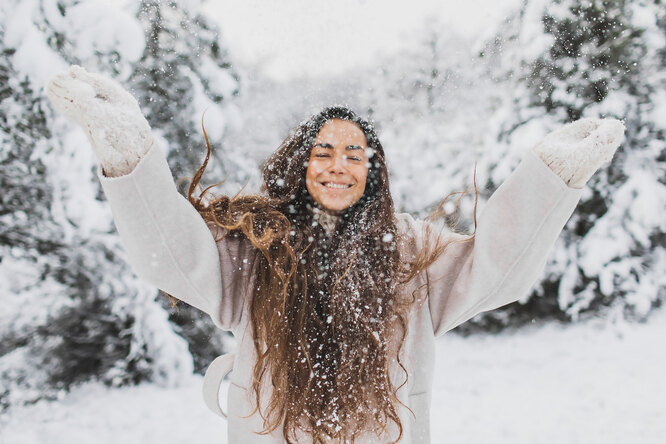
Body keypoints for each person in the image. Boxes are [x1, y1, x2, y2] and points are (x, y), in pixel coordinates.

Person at [46, 66, 625, 444]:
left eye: (355, 152)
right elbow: (168, 254)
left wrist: (552, 176)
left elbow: (497, 271)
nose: (338, 164)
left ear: (373, 170)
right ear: (302, 164)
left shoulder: (414, 251)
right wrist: (126, 151)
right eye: (323, 151)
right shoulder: (257, 247)